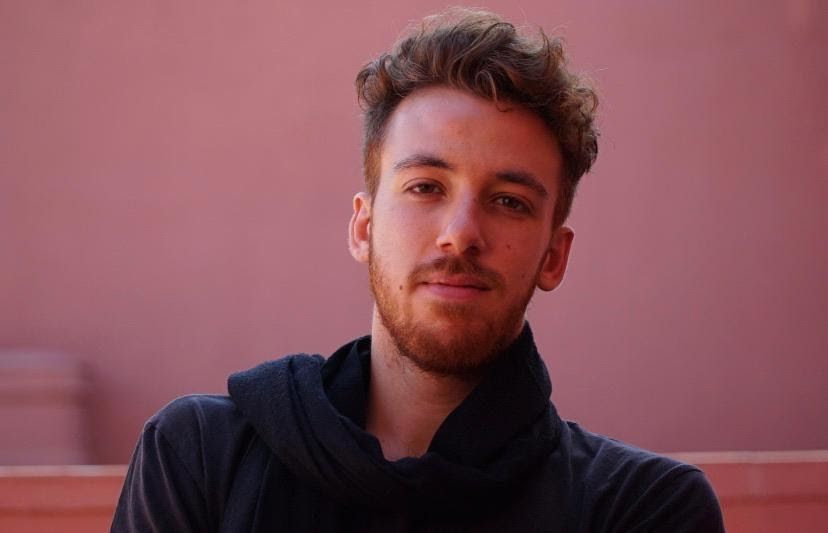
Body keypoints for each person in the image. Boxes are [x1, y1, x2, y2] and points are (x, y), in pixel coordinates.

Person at [112, 8, 724, 532]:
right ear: (363, 227)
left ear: (553, 256)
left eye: (509, 201)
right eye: (426, 186)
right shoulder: (202, 457)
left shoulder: (640, 508)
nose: (461, 233)